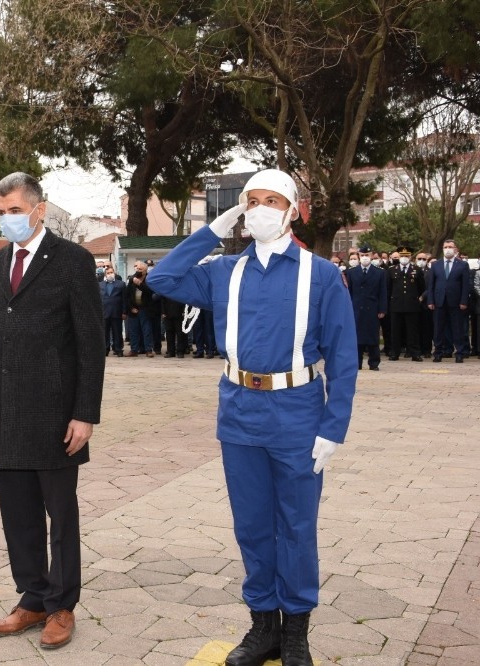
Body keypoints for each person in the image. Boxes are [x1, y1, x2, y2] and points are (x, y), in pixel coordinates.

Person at [148, 168, 357, 666]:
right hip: (240, 411)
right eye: (252, 200)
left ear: (292, 209)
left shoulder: (320, 274)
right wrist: (211, 231)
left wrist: (334, 426)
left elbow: (344, 358)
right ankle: (263, 626)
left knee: (297, 526)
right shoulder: (224, 271)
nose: (261, 208)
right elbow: (163, 277)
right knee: (252, 526)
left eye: (272, 200)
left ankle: (296, 633)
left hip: (297, 414)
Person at [0, 172, 105, 650]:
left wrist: (85, 413)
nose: (7, 218)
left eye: (14, 210)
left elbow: (91, 346)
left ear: (39, 209)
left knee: (61, 514)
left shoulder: (72, 261)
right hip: (7, 413)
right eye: (1, 211)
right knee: (18, 513)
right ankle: (32, 597)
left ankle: (61, 605)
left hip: (57, 415)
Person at [427, 239, 471, 362]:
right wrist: (430, 300)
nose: (448, 249)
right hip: (439, 301)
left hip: (456, 302)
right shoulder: (436, 264)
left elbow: (465, 285)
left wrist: (464, 301)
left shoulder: (462, 265)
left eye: (450, 247)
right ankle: (438, 352)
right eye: (445, 247)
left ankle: (460, 353)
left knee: (457, 328)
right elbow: (431, 285)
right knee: (438, 329)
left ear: (455, 249)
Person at [347, 245, 388, 371]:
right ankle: (357, 362)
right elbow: (349, 292)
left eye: (367, 255)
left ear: (371, 256)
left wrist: (382, 309)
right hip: (356, 308)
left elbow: (383, 292)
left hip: (372, 308)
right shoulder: (351, 272)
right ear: (359, 256)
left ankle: (374, 362)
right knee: (357, 337)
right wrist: (348, 309)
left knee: (373, 336)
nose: (364, 258)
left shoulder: (380, 272)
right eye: (362, 255)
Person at [386, 246, 425, 361]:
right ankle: (395, 352)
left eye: (406, 256)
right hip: (396, 305)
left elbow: (421, 287)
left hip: (412, 305)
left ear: (410, 257)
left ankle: (415, 353)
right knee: (395, 331)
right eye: (402, 256)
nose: (404, 258)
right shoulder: (392, 270)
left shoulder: (416, 269)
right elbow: (388, 288)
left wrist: (419, 300)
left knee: (412, 331)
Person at [125, 260, 156, 357]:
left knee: (146, 331)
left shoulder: (149, 279)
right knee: (133, 331)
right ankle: (134, 350)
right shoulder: (131, 279)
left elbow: (151, 292)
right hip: (133, 309)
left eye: (140, 269)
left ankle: (148, 350)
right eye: (137, 268)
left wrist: (140, 284)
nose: (138, 270)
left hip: (145, 309)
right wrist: (131, 308)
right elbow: (127, 295)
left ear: (145, 271)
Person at [100, 266, 127, 357]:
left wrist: (124, 312)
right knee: (104, 333)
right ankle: (105, 349)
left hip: (117, 312)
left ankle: (118, 349)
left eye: (111, 272)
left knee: (117, 332)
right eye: (108, 273)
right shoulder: (100, 285)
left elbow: (124, 299)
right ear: (105, 274)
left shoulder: (121, 284)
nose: (110, 274)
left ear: (114, 273)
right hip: (104, 313)